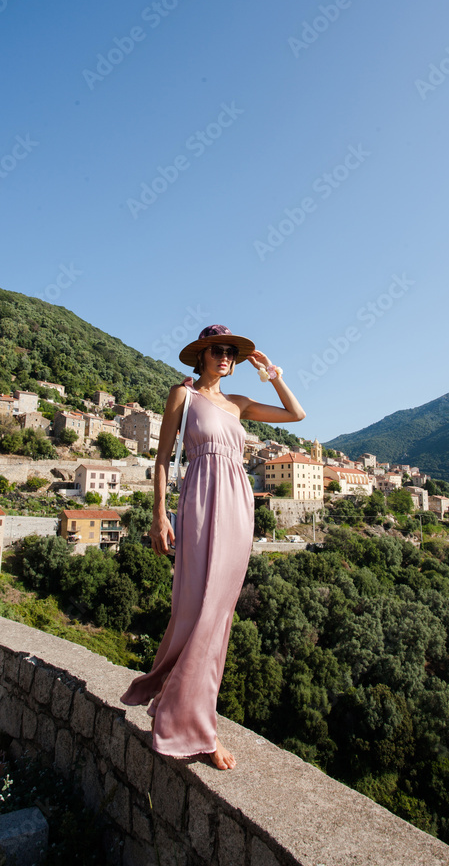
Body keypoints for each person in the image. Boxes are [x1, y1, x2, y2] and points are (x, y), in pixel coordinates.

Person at [120, 324, 306, 769]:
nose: (225, 357)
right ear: (201, 355)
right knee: (195, 609)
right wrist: (160, 514)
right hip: (200, 501)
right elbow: (162, 459)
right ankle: (184, 714)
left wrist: (273, 373)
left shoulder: (239, 405)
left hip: (238, 506)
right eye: (218, 350)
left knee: (219, 615)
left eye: (231, 353)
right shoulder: (182, 396)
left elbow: (296, 415)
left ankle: (194, 720)